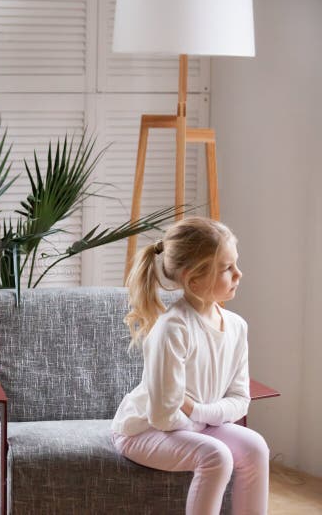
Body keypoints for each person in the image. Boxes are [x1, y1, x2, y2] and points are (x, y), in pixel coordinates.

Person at [111, 216, 269, 515]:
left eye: (236, 264)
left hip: (197, 424)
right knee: (216, 456)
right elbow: (163, 417)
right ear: (192, 278)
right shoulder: (173, 329)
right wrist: (201, 418)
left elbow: (240, 400)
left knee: (255, 447)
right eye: (227, 268)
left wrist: (198, 411)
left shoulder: (237, 327)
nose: (239, 274)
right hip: (142, 431)